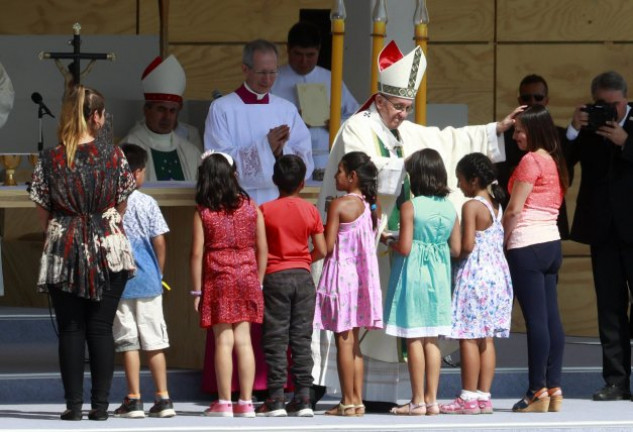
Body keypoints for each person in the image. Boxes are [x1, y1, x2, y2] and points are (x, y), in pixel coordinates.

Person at [312, 40, 518, 405]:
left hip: (402, 244)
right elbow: (366, 170)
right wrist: (408, 167)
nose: (403, 115)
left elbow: (443, 139)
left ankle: (413, 396)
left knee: (415, 329)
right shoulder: (357, 128)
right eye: (398, 107)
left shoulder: (400, 130)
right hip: (367, 243)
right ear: (379, 101)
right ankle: (365, 393)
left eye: (407, 107)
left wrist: (492, 131)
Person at [28, 85, 136, 421]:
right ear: (96, 116)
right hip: (108, 245)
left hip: (66, 243)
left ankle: (73, 406)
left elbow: (43, 211)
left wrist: (68, 225)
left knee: (71, 328)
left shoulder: (50, 158)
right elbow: (122, 203)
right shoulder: (114, 155)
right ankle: (101, 407)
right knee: (101, 328)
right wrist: (104, 222)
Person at [565, 71, 633, 402]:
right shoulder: (588, 128)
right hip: (603, 232)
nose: (609, 111)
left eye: (615, 105)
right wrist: (575, 129)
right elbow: (562, 162)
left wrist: (627, 143)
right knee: (610, 309)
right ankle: (617, 382)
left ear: (626, 98)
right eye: (601, 105)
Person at [381, 149, 461, 416]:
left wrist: (389, 239)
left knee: (414, 337)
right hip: (439, 275)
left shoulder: (410, 206)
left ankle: (416, 401)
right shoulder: (450, 208)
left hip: (413, 274)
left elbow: (404, 247)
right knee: (432, 340)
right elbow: (457, 248)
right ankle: (432, 400)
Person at [189, 151, 267, 418]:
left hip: (218, 277)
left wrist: (197, 290)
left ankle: (224, 402)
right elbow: (263, 249)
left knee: (223, 340)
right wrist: (259, 281)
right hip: (247, 276)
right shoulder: (251, 207)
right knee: (244, 341)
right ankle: (246, 402)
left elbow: (197, 253)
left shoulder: (204, 212)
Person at [502, 105, 569, 413]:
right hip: (551, 243)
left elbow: (514, 209)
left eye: (520, 130)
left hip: (527, 243)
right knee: (552, 318)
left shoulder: (530, 160)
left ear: (535, 129)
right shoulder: (554, 161)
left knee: (537, 321)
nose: (515, 136)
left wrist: (501, 240)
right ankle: (553, 386)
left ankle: (535, 390)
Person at [440, 153, 513, 415]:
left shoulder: (471, 206)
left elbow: (467, 246)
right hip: (497, 277)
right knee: (487, 339)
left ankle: (467, 397)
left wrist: (448, 247)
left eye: (460, 180)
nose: (458, 186)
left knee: (468, 338)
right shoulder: (497, 205)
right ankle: (483, 396)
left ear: (473, 180)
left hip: (474, 276)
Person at [256, 155, 326, 417]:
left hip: (274, 277)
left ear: (275, 180)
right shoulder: (310, 210)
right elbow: (322, 249)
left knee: (275, 338)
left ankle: (275, 399)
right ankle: (304, 398)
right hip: (303, 276)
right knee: (301, 338)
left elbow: (260, 250)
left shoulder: (264, 210)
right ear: (302, 182)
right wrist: (304, 260)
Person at [314, 151, 383, 416]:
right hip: (360, 281)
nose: (335, 176)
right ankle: (356, 400)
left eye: (340, 171)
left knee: (343, 341)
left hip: (341, 278)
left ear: (352, 176)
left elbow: (327, 246)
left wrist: (312, 240)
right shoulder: (368, 205)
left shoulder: (339, 205)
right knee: (353, 343)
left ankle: (346, 400)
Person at [204, 39, 313, 205]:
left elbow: (305, 158)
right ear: (245, 69)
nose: (268, 79)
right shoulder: (222, 108)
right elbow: (218, 162)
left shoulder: (286, 109)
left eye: (273, 72)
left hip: (278, 204)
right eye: (262, 73)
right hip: (236, 203)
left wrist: (280, 153)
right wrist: (265, 147)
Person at [112, 143, 174, 419]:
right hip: (149, 281)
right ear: (136, 173)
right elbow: (159, 240)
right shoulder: (148, 202)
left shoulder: (110, 203)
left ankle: (134, 398)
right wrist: (159, 273)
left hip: (119, 282)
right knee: (154, 340)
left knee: (129, 342)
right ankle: (163, 398)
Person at [271, 21, 359, 178]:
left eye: (310, 55)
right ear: (288, 49)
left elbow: (357, 116)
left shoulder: (332, 79)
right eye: (298, 54)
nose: (304, 61)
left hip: (327, 159)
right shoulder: (273, 80)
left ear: (319, 51)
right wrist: (292, 121)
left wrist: (337, 122)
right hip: (288, 162)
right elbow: (261, 120)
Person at [495, 74, 572, 239]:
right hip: (542, 237)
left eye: (538, 97)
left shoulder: (554, 142)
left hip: (533, 234)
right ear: (519, 100)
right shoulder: (505, 136)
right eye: (526, 98)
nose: (532, 102)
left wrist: (499, 240)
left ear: (546, 100)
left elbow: (514, 212)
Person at [121, 55, 201, 181]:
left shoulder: (191, 152)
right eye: (161, 109)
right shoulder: (130, 147)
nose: (167, 117)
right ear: (146, 109)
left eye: (172, 111)